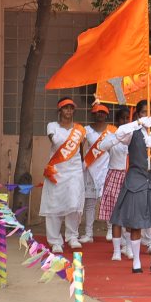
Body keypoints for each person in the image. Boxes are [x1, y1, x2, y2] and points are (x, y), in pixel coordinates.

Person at [109, 100, 151, 273]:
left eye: (150, 111)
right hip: (137, 180)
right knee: (136, 223)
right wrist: (138, 123)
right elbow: (119, 133)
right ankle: (136, 261)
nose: (147, 115)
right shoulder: (132, 132)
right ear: (138, 114)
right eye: (143, 112)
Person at [39, 97, 86, 253]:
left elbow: (81, 150)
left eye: (71, 108)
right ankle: (55, 240)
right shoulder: (52, 126)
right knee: (55, 205)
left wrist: (82, 166)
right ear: (60, 110)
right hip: (57, 171)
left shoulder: (80, 129)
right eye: (66, 108)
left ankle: (72, 236)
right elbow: (56, 142)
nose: (69, 111)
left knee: (74, 204)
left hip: (74, 171)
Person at [98, 107, 132, 259]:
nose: (125, 121)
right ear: (117, 120)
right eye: (122, 118)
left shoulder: (134, 136)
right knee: (115, 215)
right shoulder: (111, 136)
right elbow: (102, 146)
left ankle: (128, 247)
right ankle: (117, 250)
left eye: (127, 118)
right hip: (114, 176)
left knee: (130, 215)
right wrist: (118, 136)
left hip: (130, 177)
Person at [80, 103, 115, 243]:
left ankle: (110, 230)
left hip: (107, 168)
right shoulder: (86, 130)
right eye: (97, 112)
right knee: (89, 203)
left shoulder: (112, 130)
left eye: (102, 112)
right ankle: (88, 234)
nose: (100, 114)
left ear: (107, 114)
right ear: (93, 114)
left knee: (107, 201)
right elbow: (79, 147)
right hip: (90, 169)